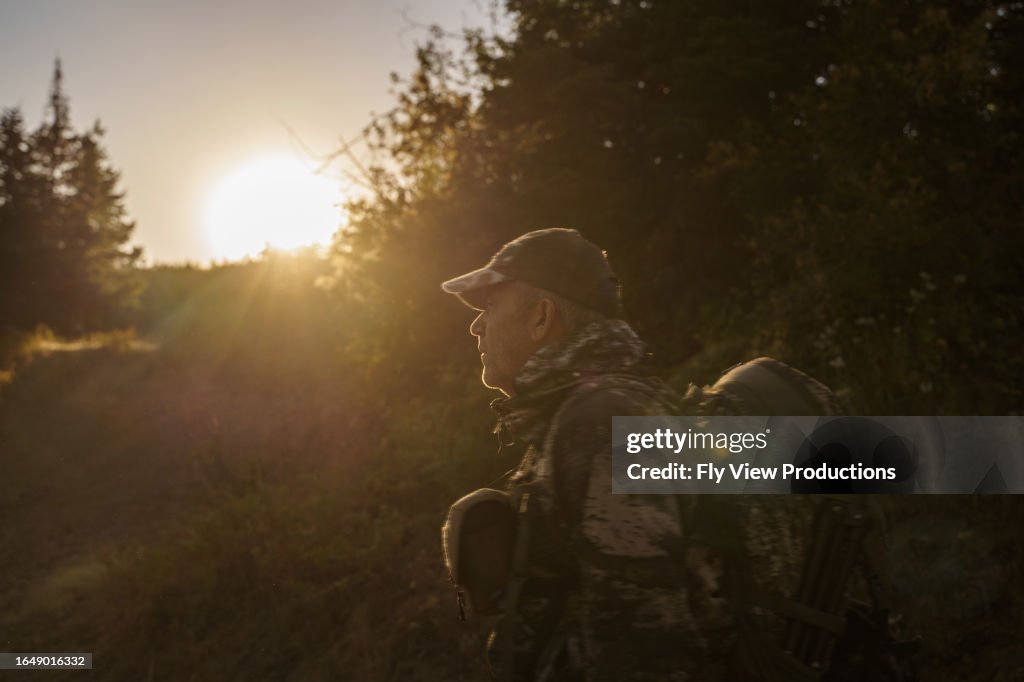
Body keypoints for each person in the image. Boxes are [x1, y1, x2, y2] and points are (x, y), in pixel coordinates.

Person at [441, 228, 728, 681]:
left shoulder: (600, 423)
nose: (476, 325)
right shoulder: (587, 414)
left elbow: (646, 649)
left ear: (541, 317)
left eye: (491, 306)